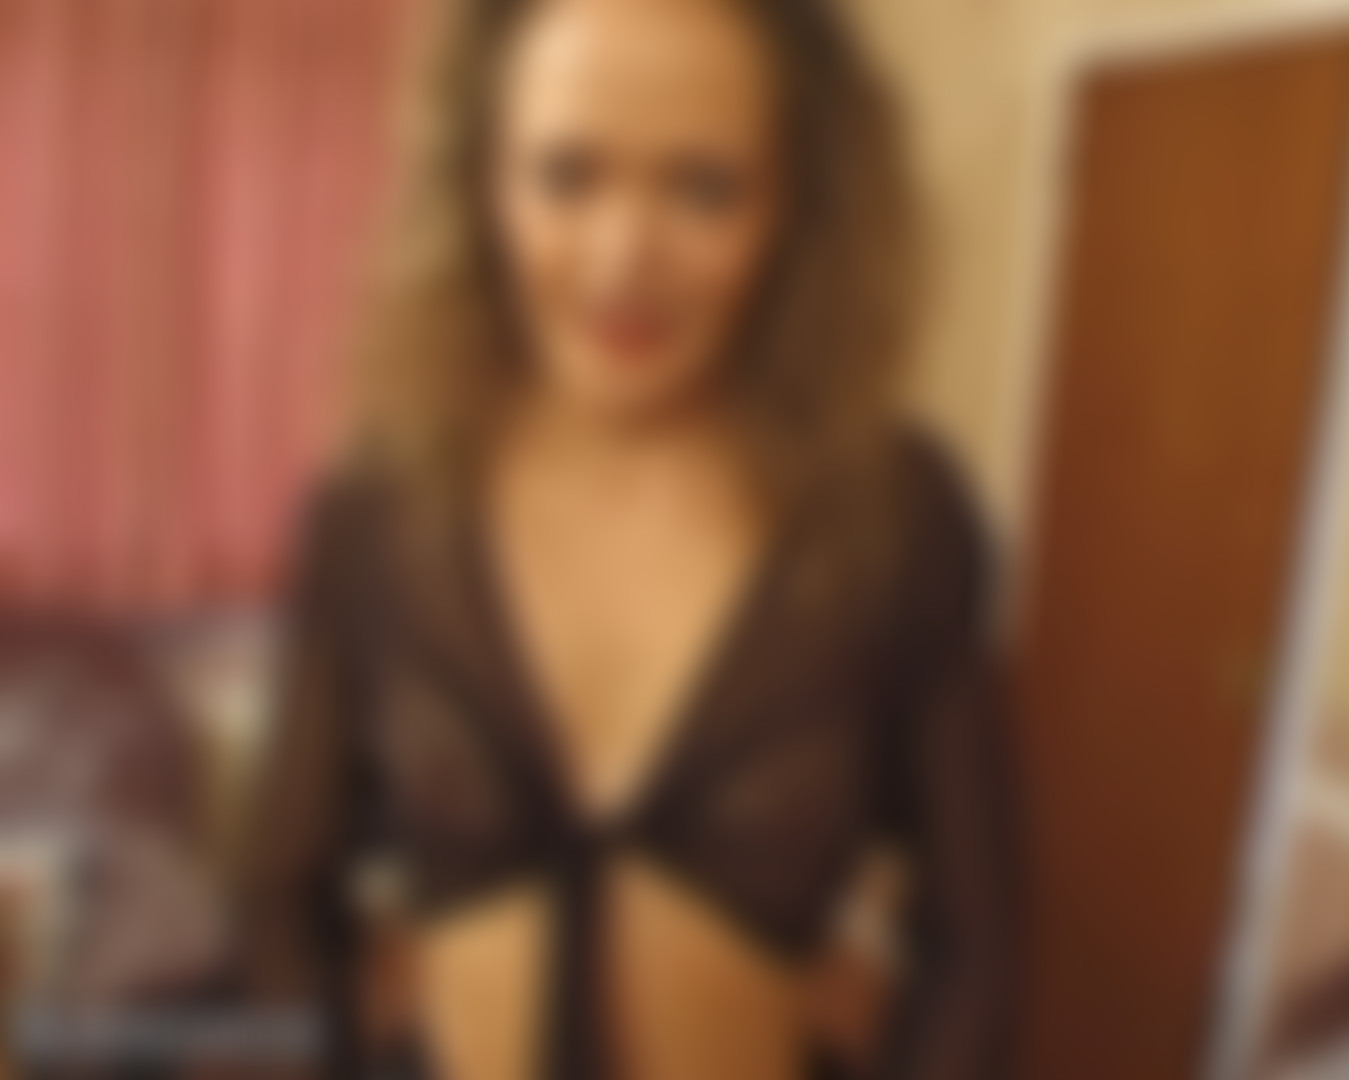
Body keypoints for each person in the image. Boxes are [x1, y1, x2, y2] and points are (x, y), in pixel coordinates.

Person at [238, 0, 1021, 1077]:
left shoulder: (892, 512)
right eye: (566, 176)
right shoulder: (376, 513)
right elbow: (279, 905)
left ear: (799, 205)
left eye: (705, 188)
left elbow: (976, 949)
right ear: (483, 184)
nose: (623, 260)